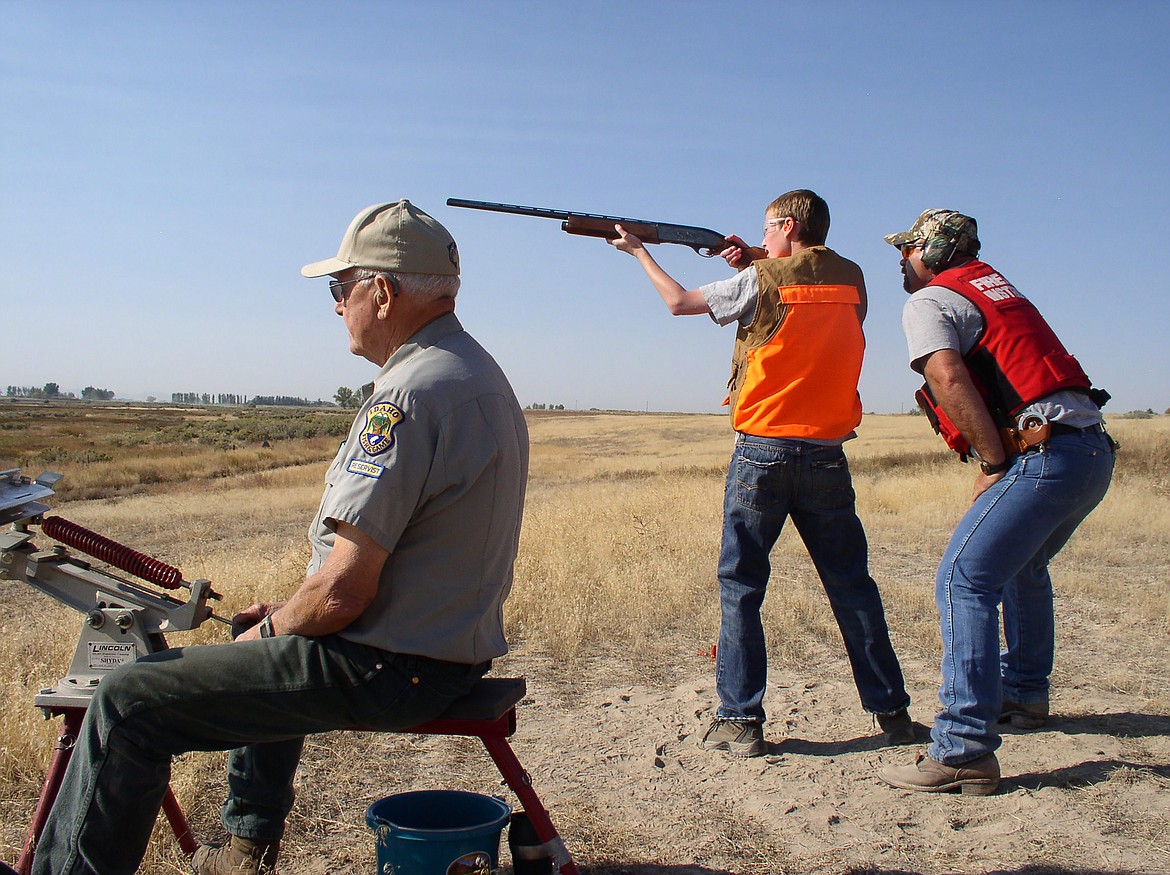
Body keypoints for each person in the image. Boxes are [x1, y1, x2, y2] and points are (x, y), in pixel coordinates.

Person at [31, 200, 530, 874]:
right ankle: (244, 849)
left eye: (339, 289)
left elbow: (343, 593)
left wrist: (275, 632)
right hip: (442, 652)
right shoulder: (478, 375)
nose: (334, 307)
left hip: (387, 664)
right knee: (280, 627)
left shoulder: (406, 396)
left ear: (380, 291)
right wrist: (286, 618)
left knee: (126, 700)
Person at [609, 190, 911, 758]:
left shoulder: (760, 279)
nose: (762, 237)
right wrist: (753, 255)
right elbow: (802, 284)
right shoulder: (854, 279)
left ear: (788, 225)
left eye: (767, 228)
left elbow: (679, 303)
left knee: (742, 588)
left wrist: (637, 252)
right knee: (853, 587)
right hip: (826, 453)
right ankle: (893, 714)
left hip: (763, 452)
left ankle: (740, 720)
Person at [878, 209, 1114, 795]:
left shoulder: (929, 301)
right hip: (1089, 453)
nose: (901, 261)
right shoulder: (997, 290)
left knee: (964, 579)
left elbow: (947, 377)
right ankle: (1025, 693)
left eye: (907, 250)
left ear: (931, 251)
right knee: (1022, 567)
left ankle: (962, 749)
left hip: (1044, 456)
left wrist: (993, 463)